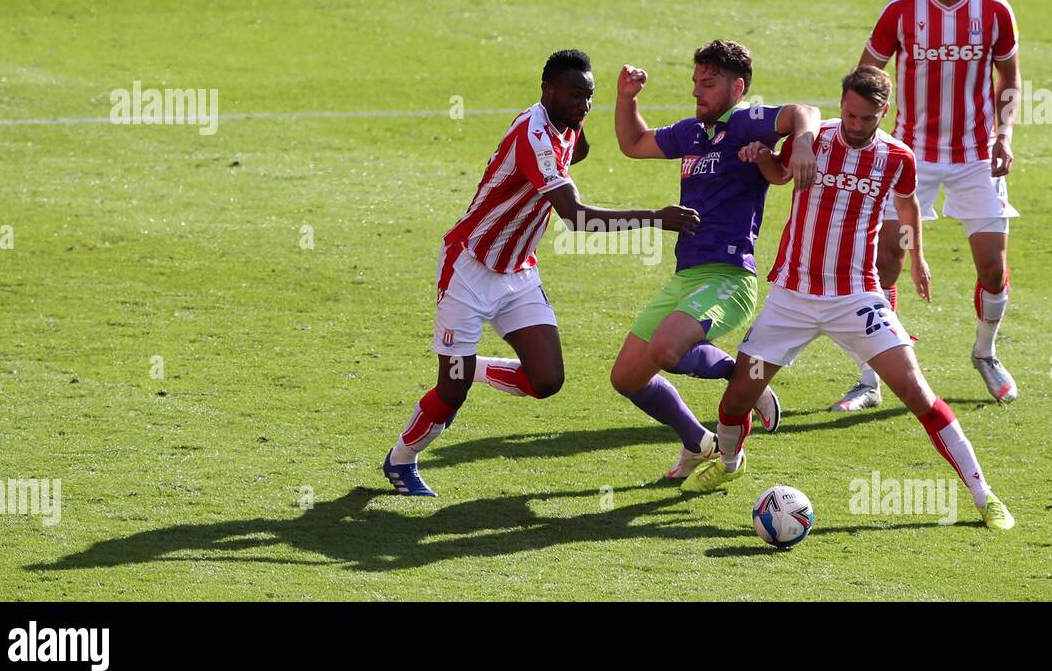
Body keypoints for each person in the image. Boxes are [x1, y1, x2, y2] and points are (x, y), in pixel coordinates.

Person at [684, 66, 1014, 531]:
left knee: (917, 392)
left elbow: (907, 205)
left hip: (857, 298)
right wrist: (762, 156)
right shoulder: (816, 139)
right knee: (739, 395)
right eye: (850, 114)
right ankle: (730, 461)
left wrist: (917, 256)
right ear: (842, 105)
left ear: (885, 113)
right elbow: (780, 175)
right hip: (791, 298)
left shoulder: (897, 158)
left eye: (867, 118)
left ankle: (984, 497)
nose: (856, 125)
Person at [383, 49, 700, 496]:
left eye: (588, 96)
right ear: (546, 91)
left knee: (547, 380)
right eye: (573, 96)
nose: (582, 105)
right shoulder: (535, 137)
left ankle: (470, 368)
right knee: (450, 393)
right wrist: (656, 216)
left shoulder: (567, 124)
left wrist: (597, 109)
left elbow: (580, 149)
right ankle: (401, 461)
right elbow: (578, 218)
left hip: (518, 271)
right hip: (469, 268)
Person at [806, 0, 1023, 411]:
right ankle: (869, 379)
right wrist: (866, 134)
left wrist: (1004, 134)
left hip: (975, 158)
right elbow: (867, 75)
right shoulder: (903, 12)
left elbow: (1009, 75)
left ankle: (985, 353)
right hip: (910, 157)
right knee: (885, 263)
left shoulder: (993, 11)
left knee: (992, 266)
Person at [610, 40, 821, 478]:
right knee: (626, 378)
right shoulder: (690, 132)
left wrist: (801, 144)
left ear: (738, 87)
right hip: (686, 277)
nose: (697, 92)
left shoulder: (747, 124)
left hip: (728, 278)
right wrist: (626, 99)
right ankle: (696, 441)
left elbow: (805, 111)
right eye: (695, 82)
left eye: (708, 84)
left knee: (667, 350)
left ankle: (744, 377)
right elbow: (633, 143)